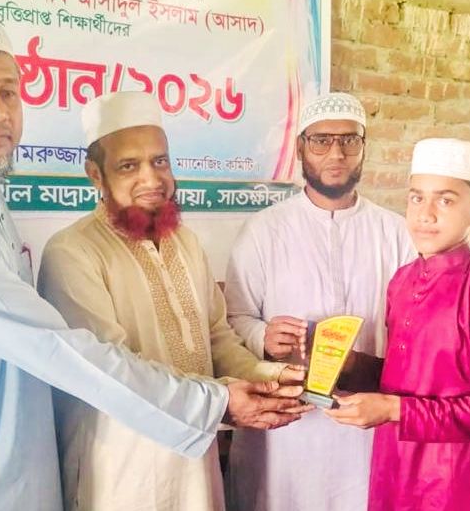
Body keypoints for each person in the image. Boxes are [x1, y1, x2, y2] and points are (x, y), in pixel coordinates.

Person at [0, 11, 305, 511]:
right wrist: (220, 400)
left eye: (9, 92)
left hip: (33, 462)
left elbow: (215, 337)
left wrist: (260, 375)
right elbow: (63, 350)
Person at [37, 91, 307, 511]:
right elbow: (112, 372)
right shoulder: (72, 252)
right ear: (95, 175)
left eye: (160, 161)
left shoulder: (186, 242)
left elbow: (217, 337)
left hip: (196, 458)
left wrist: (271, 377)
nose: (152, 179)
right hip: (121, 467)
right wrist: (223, 400)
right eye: (129, 165)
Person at [223, 92, 415, 510]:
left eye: (349, 141)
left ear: (364, 147)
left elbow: (414, 331)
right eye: (321, 141)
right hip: (288, 428)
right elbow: (233, 317)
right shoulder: (263, 230)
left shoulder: (397, 233)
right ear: (299, 149)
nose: (336, 153)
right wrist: (261, 336)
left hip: (366, 422)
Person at [326, 137, 470, 511]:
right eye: (416, 198)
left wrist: (395, 411)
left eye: (445, 200)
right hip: (394, 462)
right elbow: (410, 378)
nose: (425, 214)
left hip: (453, 477)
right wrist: (352, 367)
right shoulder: (402, 280)